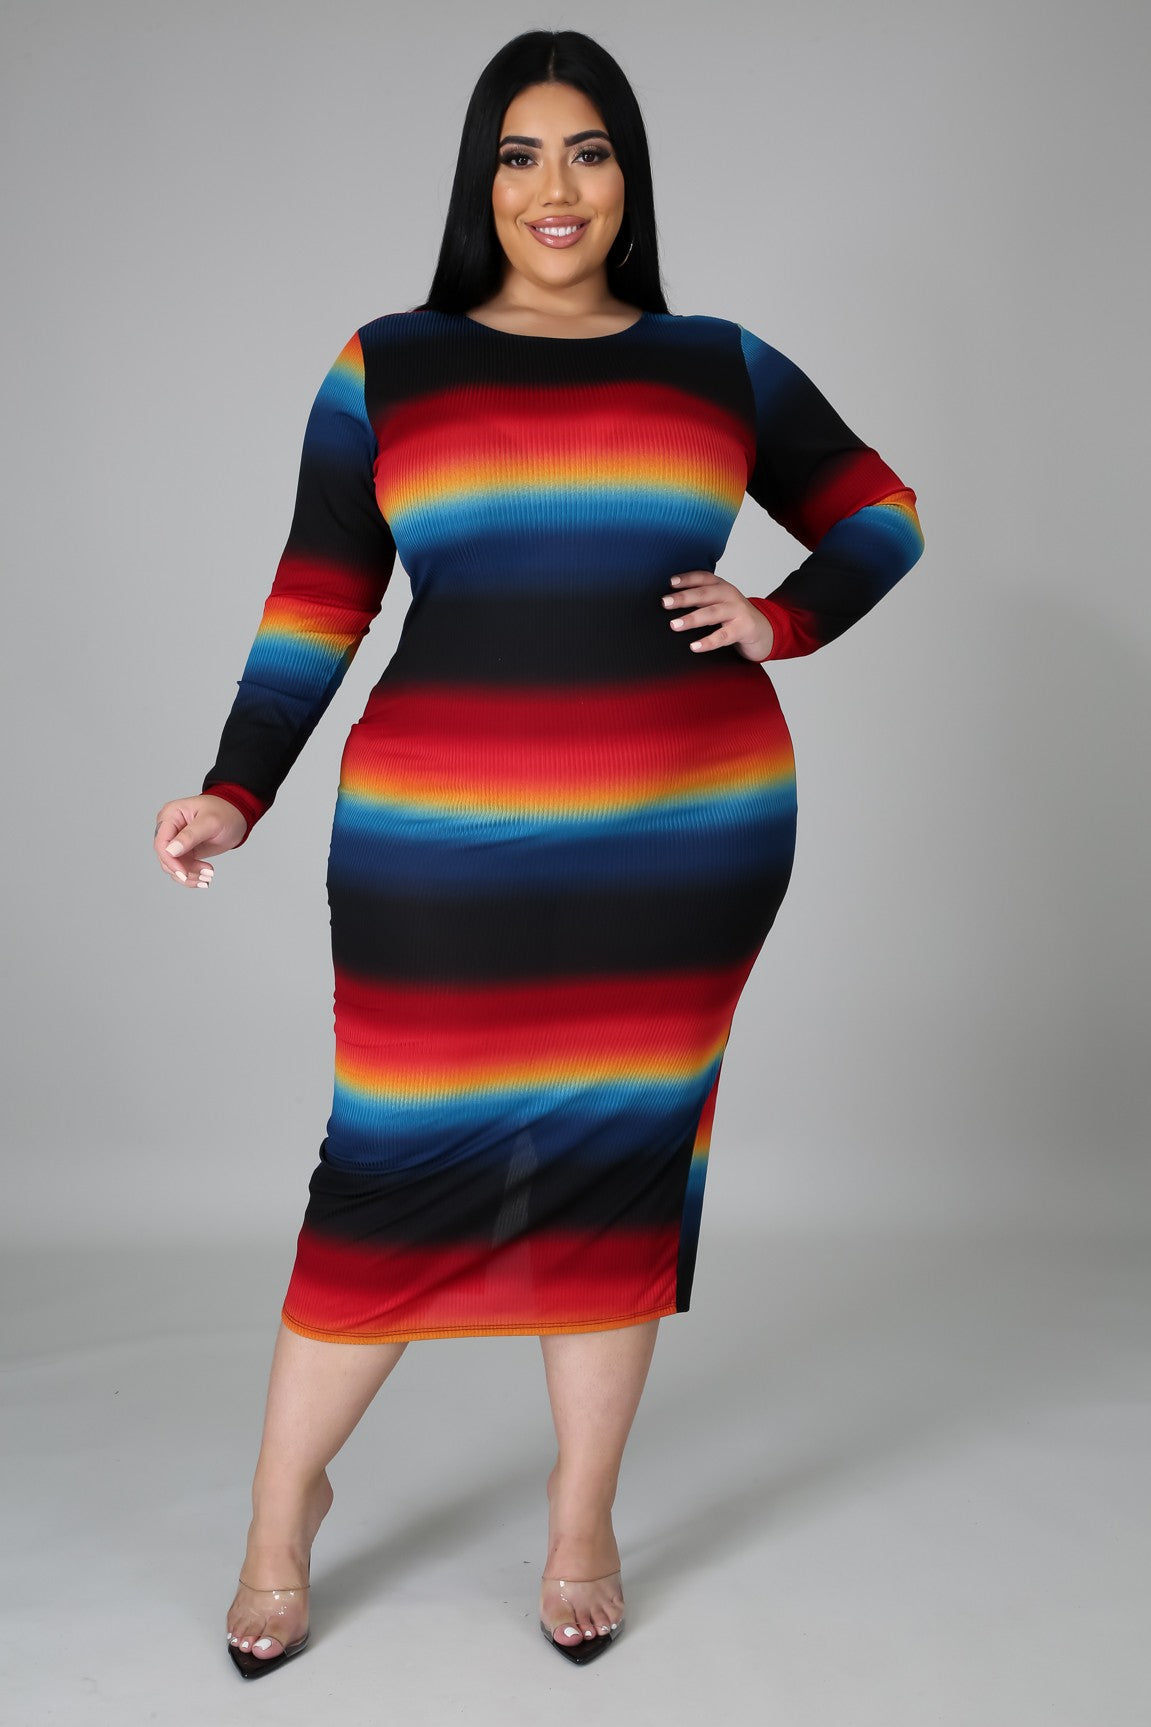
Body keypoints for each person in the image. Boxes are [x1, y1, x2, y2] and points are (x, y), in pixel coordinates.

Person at [153, 28, 924, 1678]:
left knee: (617, 1168)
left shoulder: (718, 364)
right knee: (384, 1175)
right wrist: (235, 788)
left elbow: (882, 514)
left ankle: (583, 1523)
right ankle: (281, 1519)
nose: (554, 188)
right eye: (519, 154)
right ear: (480, 182)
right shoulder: (390, 365)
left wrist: (780, 617)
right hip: (437, 850)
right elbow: (319, 599)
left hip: (684, 841)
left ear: (628, 176)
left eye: (587, 150)